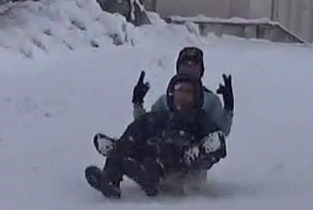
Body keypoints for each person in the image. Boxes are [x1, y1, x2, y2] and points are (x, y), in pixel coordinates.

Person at [85, 73, 226, 199]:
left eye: (188, 92)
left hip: (180, 163)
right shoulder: (162, 115)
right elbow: (139, 127)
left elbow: (217, 142)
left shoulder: (199, 118)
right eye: (179, 90)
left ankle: (148, 176)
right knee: (142, 138)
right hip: (152, 152)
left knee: (167, 148)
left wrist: (201, 151)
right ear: (172, 93)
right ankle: (111, 176)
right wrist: (126, 143)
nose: (183, 95)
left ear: (196, 97)